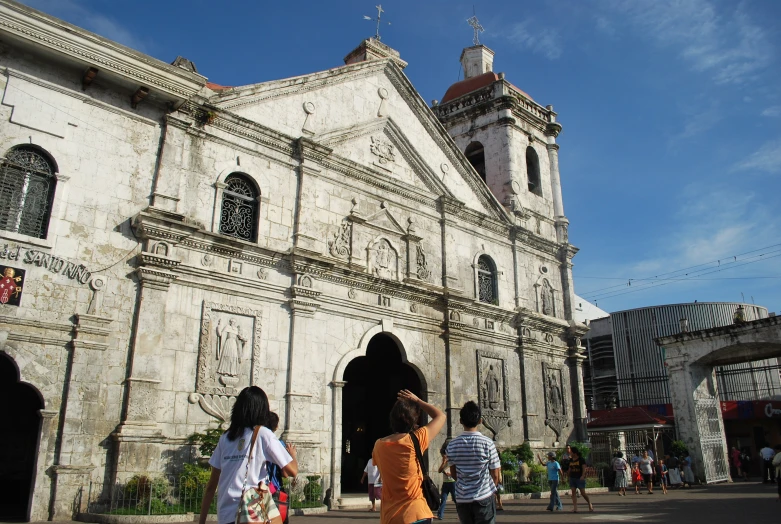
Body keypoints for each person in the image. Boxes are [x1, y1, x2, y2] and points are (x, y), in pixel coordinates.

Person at [199, 386, 298, 524]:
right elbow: (292, 470)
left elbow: (211, 485)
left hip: (226, 515)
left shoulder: (226, 437)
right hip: (252, 514)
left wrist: (201, 520)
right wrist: (292, 455)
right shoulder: (263, 434)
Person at [372, 389, 446, 524]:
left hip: (390, 516)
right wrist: (417, 400)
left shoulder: (379, 445)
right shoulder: (416, 439)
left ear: (392, 419)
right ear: (414, 420)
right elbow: (440, 416)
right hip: (417, 513)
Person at [446, 401, 501, 524]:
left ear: (460, 421)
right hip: (484, 496)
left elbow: (454, 474)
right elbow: (495, 474)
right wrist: (491, 491)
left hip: (462, 499)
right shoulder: (488, 443)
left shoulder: (452, 445)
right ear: (480, 421)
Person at [265, 412, 290, 524]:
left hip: (260, 491)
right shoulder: (278, 444)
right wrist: (292, 455)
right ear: (276, 426)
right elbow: (285, 473)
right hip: (275, 489)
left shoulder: (257, 442)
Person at [567, 446, 593, 513]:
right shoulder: (571, 460)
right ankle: (575, 508)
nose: (570, 453)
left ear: (574, 453)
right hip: (572, 477)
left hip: (579, 478)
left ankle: (589, 503)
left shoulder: (581, 459)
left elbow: (584, 468)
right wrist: (568, 476)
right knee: (573, 492)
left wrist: (583, 475)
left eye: (571, 452)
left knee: (583, 493)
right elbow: (570, 468)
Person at [437, 450, 456, 520]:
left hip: (452, 482)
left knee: (455, 498)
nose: (443, 457)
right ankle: (440, 515)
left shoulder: (452, 462)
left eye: (444, 456)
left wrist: (451, 474)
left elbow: (456, 471)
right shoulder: (444, 463)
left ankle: (461, 512)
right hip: (445, 483)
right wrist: (443, 462)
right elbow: (439, 471)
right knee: (443, 498)